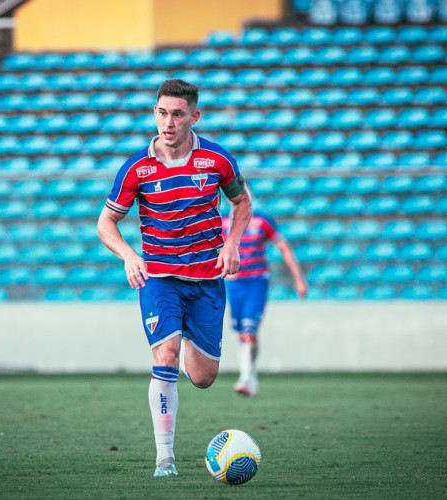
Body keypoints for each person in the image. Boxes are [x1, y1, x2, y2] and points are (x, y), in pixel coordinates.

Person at [97, 79, 252, 478]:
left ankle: (185, 349)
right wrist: (130, 255)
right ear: (155, 114)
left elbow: (242, 201)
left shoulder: (217, 160)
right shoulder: (137, 167)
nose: (168, 122)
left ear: (194, 117)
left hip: (206, 279)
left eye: (178, 114)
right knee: (164, 356)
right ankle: (164, 458)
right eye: (162, 112)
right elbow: (106, 223)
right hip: (159, 278)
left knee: (202, 377)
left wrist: (232, 243)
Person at [222, 209, 308, 397]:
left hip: (256, 282)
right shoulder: (224, 223)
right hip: (233, 284)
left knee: (249, 331)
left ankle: (246, 377)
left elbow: (283, 247)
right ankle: (250, 376)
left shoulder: (261, 221)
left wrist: (299, 278)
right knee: (241, 333)